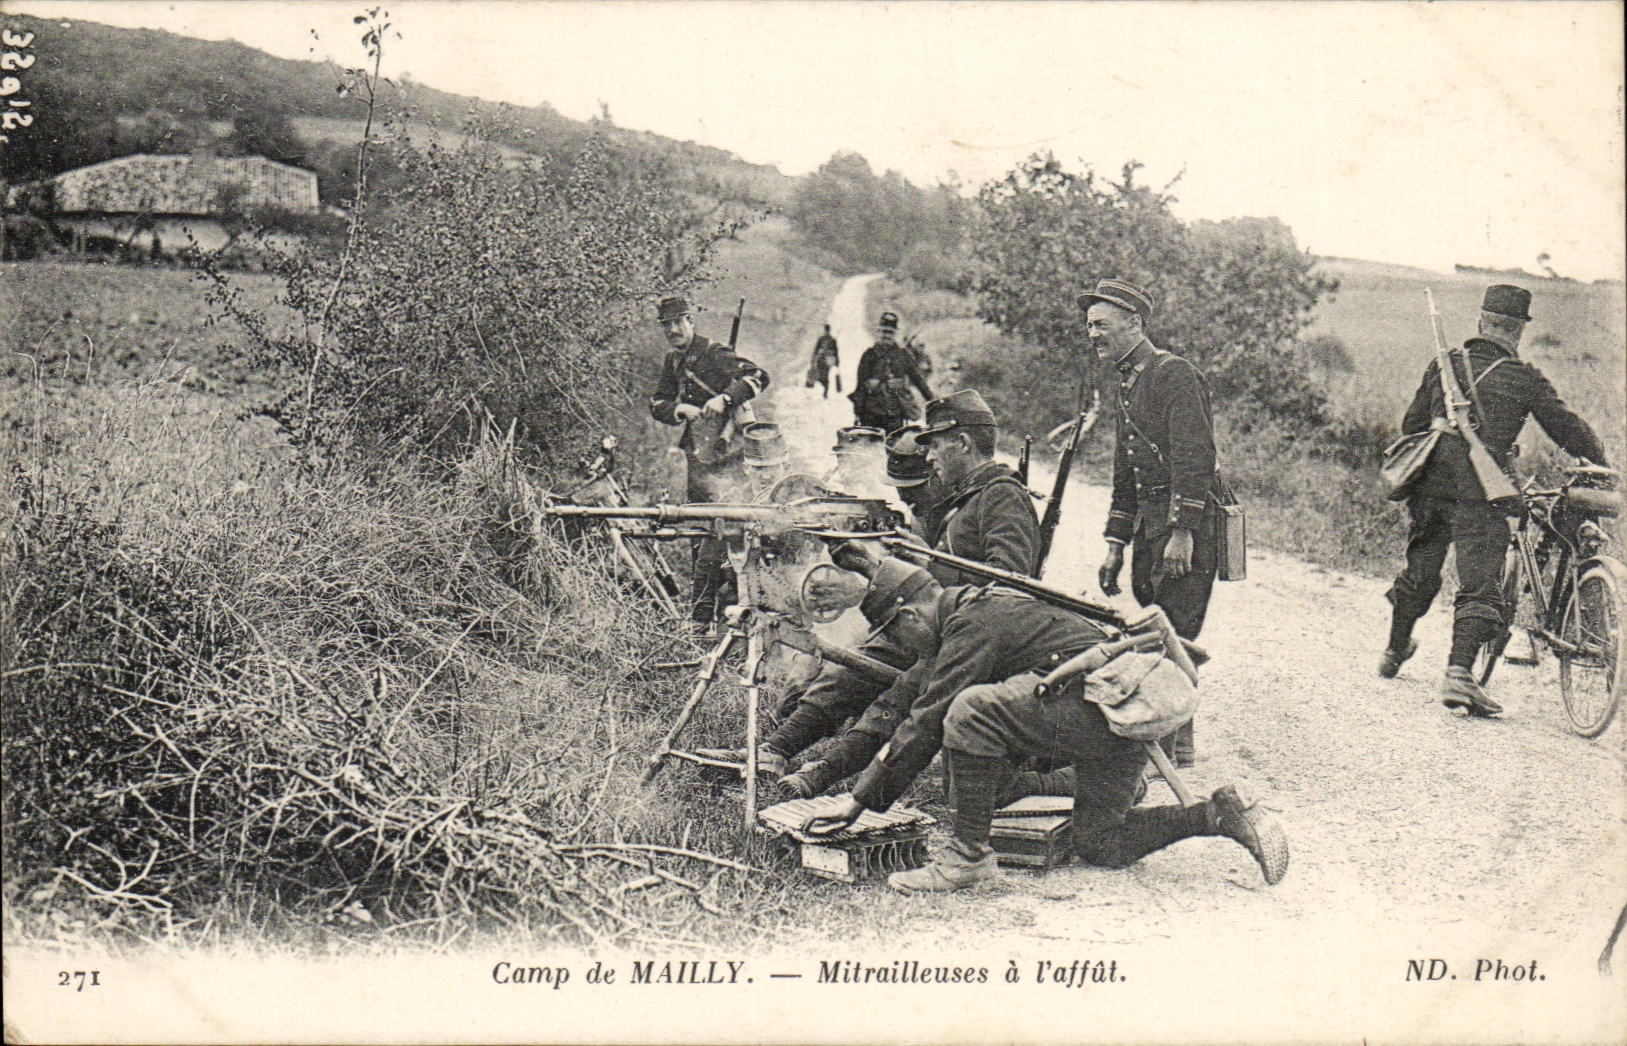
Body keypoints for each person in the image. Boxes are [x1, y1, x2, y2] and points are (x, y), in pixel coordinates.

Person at [805, 545, 1289, 894]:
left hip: (1099, 707)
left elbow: (928, 719)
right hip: (1125, 718)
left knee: (970, 713)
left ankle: (966, 859)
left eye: (896, 637)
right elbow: (902, 706)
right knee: (1102, 842)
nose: (904, 649)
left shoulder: (972, 624)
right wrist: (830, 780)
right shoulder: (972, 617)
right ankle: (1216, 814)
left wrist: (857, 805)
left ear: (909, 617)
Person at [702, 393, 1036, 793]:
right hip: (942, 623)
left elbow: (1009, 586)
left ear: (963, 444)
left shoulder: (1002, 495)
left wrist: (892, 579)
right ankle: (775, 750)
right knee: (856, 666)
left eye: (937, 446)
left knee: (902, 694)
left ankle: (819, 774)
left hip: (975, 639)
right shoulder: (965, 499)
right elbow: (940, 569)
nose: (930, 458)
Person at [1380, 284, 1607, 715]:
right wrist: (1600, 461)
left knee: (1421, 568)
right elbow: (1567, 428)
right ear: (1518, 331)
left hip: (1431, 486)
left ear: (1482, 322)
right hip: (1482, 491)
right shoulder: (1524, 377)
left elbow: (1411, 424)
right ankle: (1460, 675)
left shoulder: (1443, 363)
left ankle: (1393, 650)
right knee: (1481, 582)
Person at [1084, 279, 1217, 768]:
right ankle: (1170, 737)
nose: (1093, 334)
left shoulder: (1173, 374)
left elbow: (1195, 455)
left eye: (1101, 324)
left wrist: (1183, 530)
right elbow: (1126, 468)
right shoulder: (1128, 381)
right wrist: (1115, 542)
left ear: (1133, 322)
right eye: (1089, 326)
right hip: (1151, 524)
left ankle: (1176, 744)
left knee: (1175, 625)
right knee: (1155, 621)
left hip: (1185, 524)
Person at [648, 294, 770, 629]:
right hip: (699, 457)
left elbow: (758, 377)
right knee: (699, 527)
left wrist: (725, 397)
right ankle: (705, 614)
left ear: (691, 321)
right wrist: (678, 410)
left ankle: (726, 611)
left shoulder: (714, 353)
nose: (674, 330)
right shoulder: (674, 361)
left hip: (730, 458)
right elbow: (657, 401)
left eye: (678, 322)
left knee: (729, 531)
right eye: (667, 325)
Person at [851, 311, 932, 433]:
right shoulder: (869, 355)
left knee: (894, 447)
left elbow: (919, 380)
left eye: (890, 332)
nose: (887, 336)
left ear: (895, 334)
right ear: (879, 332)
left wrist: (933, 401)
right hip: (871, 412)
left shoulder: (903, 355)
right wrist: (857, 412)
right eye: (884, 331)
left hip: (895, 413)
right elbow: (860, 386)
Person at [807, 323, 841, 398]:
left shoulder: (825, 339)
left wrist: (836, 361)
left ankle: (825, 390)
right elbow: (835, 351)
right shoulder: (829, 339)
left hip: (826, 360)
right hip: (824, 360)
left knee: (825, 376)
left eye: (827, 330)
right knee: (822, 375)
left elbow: (835, 351)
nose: (826, 332)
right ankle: (824, 389)